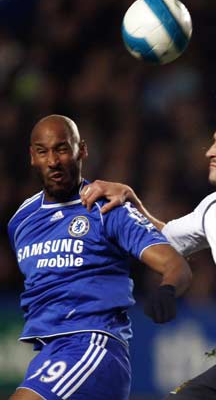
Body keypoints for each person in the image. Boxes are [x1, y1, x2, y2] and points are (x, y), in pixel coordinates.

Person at [80, 107, 216, 400]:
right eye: (213, 142)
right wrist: (131, 201)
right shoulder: (215, 207)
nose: (210, 152)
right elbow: (163, 239)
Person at [7, 115, 192, 400]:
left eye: (62, 148)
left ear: (82, 150)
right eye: (43, 152)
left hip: (92, 344)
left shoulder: (107, 208)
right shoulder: (21, 220)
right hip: (48, 352)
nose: (53, 161)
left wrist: (168, 290)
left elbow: (174, 264)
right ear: (33, 157)